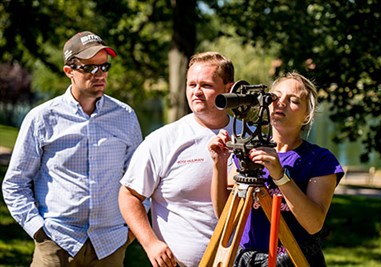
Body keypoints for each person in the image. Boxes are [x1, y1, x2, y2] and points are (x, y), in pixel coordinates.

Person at [2, 31, 144, 267]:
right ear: (69, 71)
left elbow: (140, 180)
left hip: (110, 245)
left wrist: (129, 231)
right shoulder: (42, 118)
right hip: (56, 243)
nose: (99, 74)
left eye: (104, 67)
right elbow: (15, 183)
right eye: (89, 68)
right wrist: (38, 230)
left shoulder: (125, 116)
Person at [118, 51, 243, 267]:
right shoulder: (163, 140)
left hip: (242, 262)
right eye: (191, 84)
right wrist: (150, 244)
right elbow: (129, 195)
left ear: (228, 89)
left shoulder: (249, 136)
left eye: (206, 85)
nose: (196, 92)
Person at [208, 72, 344, 266]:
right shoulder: (248, 155)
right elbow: (224, 216)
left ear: (307, 115)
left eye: (293, 100)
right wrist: (219, 165)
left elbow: (314, 224)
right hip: (247, 259)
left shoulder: (320, 160)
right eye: (275, 97)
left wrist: (279, 176)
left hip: (293, 260)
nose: (281, 103)